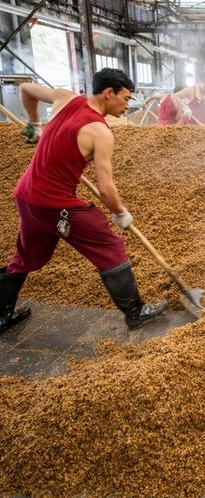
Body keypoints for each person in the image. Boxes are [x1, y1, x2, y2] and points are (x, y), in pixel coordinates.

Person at [0, 68, 167, 334]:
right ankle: (135, 312)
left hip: (27, 197)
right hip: (56, 205)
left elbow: (26, 89)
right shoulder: (100, 133)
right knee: (110, 246)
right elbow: (106, 187)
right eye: (125, 98)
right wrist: (120, 212)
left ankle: (1, 315)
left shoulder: (66, 98)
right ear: (109, 93)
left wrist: (34, 124)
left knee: (27, 256)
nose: (127, 105)